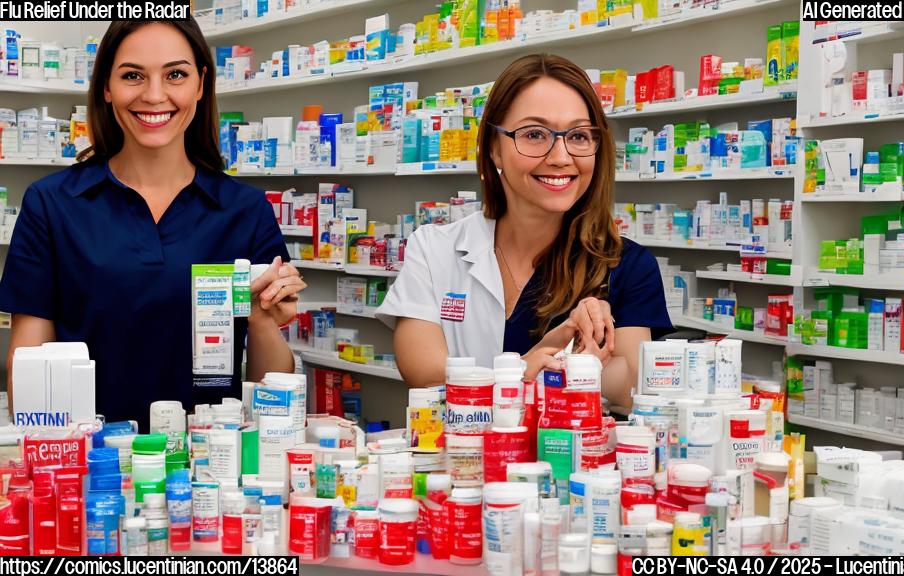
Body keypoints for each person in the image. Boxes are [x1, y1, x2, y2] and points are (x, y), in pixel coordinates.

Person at [0, 19, 306, 430]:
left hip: (207, 467)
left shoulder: (244, 210)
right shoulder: (53, 204)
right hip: (91, 468)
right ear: (107, 87)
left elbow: (270, 391)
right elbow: (30, 377)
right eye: (132, 76)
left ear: (200, 84)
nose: (155, 95)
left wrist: (263, 320)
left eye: (175, 74)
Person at [377, 53, 673, 408]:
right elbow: (423, 373)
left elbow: (633, 390)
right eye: (535, 134)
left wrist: (576, 352)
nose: (561, 156)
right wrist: (525, 367)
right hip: (459, 456)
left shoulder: (626, 264)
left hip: (567, 458)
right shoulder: (434, 248)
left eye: (578, 136)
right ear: (494, 149)